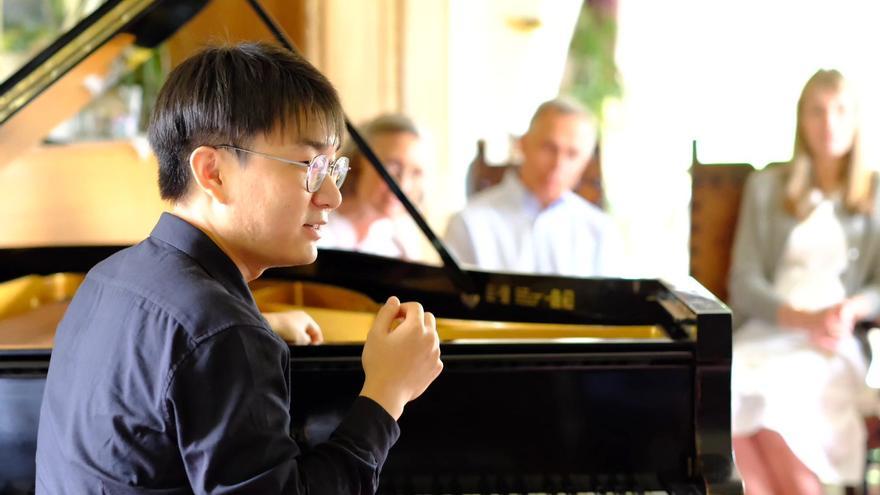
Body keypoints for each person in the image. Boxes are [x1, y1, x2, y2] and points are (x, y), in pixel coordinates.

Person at [35, 42, 443, 494]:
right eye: (310, 166)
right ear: (213, 173)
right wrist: (388, 393)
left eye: (335, 168)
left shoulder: (111, 277)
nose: (332, 195)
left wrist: (257, 326)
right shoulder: (221, 333)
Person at [729, 69, 880, 494]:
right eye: (817, 111)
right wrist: (799, 318)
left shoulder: (876, 194)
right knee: (728, 402)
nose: (828, 122)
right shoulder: (765, 188)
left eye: (839, 110)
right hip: (767, 330)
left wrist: (851, 310)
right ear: (801, 120)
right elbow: (743, 281)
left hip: (833, 341)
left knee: (777, 406)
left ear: (856, 120)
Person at [444, 97, 622, 277]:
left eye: (572, 154)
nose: (558, 164)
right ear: (523, 144)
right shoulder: (469, 223)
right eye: (549, 148)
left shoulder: (601, 232)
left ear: (586, 162)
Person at [318, 113, 426, 260]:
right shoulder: (316, 220)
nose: (403, 186)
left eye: (416, 173)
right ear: (358, 162)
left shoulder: (403, 241)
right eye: (392, 168)